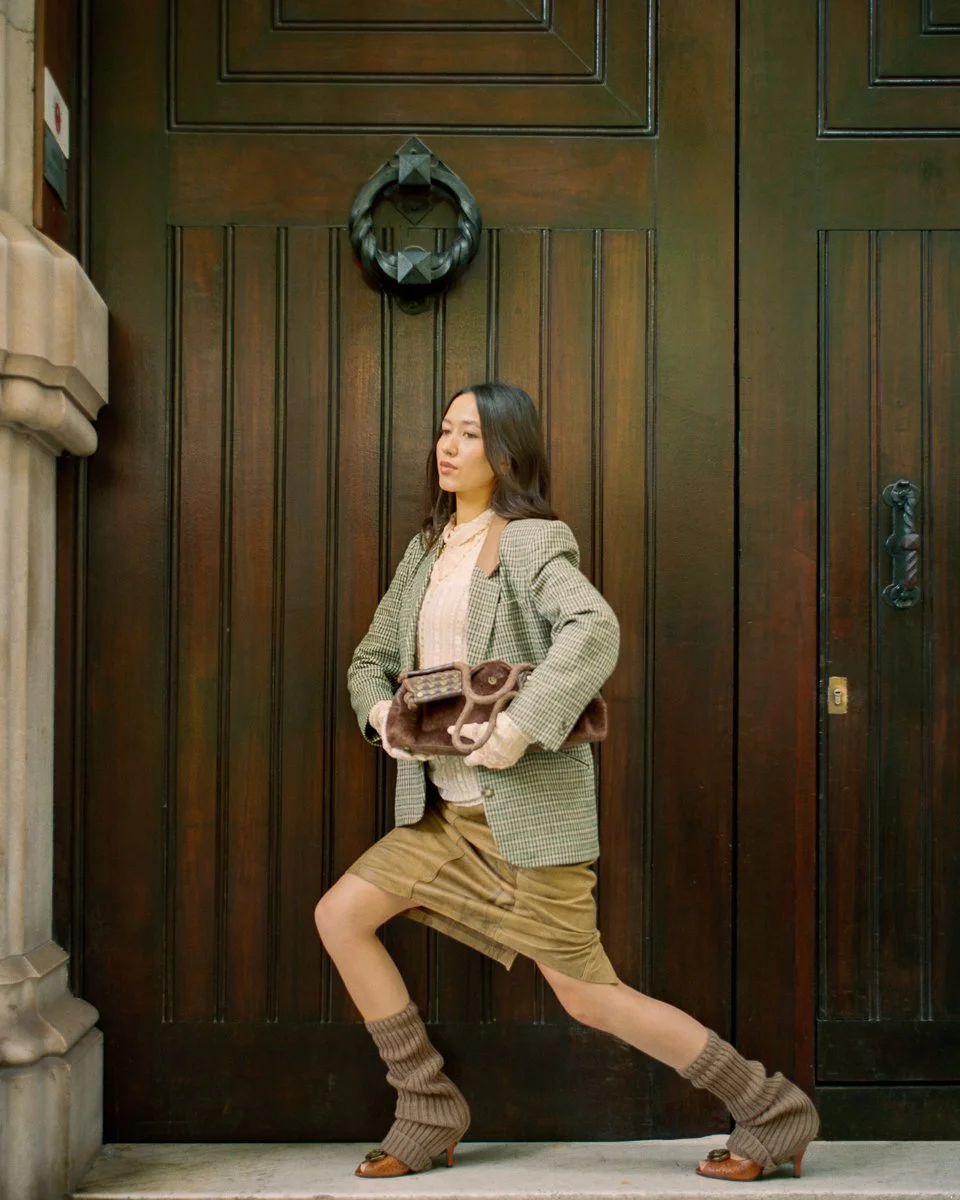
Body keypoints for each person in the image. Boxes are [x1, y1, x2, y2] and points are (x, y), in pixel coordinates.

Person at [313, 382, 819, 1182]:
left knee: (589, 995)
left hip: (527, 822)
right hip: (444, 818)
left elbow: (594, 630)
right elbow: (369, 659)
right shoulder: (425, 550)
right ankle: (427, 1104)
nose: (447, 446)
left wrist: (517, 730)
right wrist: (384, 719)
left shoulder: (531, 540)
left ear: (505, 452)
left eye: (468, 434)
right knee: (340, 915)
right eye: (444, 431)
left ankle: (769, 1107)